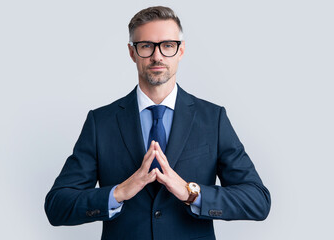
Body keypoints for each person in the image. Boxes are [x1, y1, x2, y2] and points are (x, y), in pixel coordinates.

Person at [45, 6, 271, 240]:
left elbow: (258, 200)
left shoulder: (213, 119)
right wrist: (119, 192)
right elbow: (57, 206)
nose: (157, 56)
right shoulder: (100, 122)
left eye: (168, 46)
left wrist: (190, 193)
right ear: (132, 53)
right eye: (146, 46)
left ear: (181, 50)